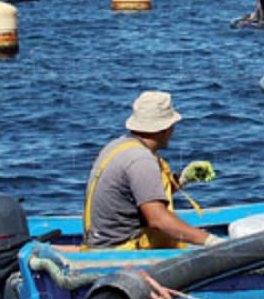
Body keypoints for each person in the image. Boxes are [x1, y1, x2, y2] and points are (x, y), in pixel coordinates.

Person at [82, 91, 222, 249]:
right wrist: (211, 241)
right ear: (164, 128)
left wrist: (182, 179)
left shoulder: (117, 146)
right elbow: (158, 220)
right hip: (120, 249)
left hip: (97, 243)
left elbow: (137, 194)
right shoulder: (141, 160)